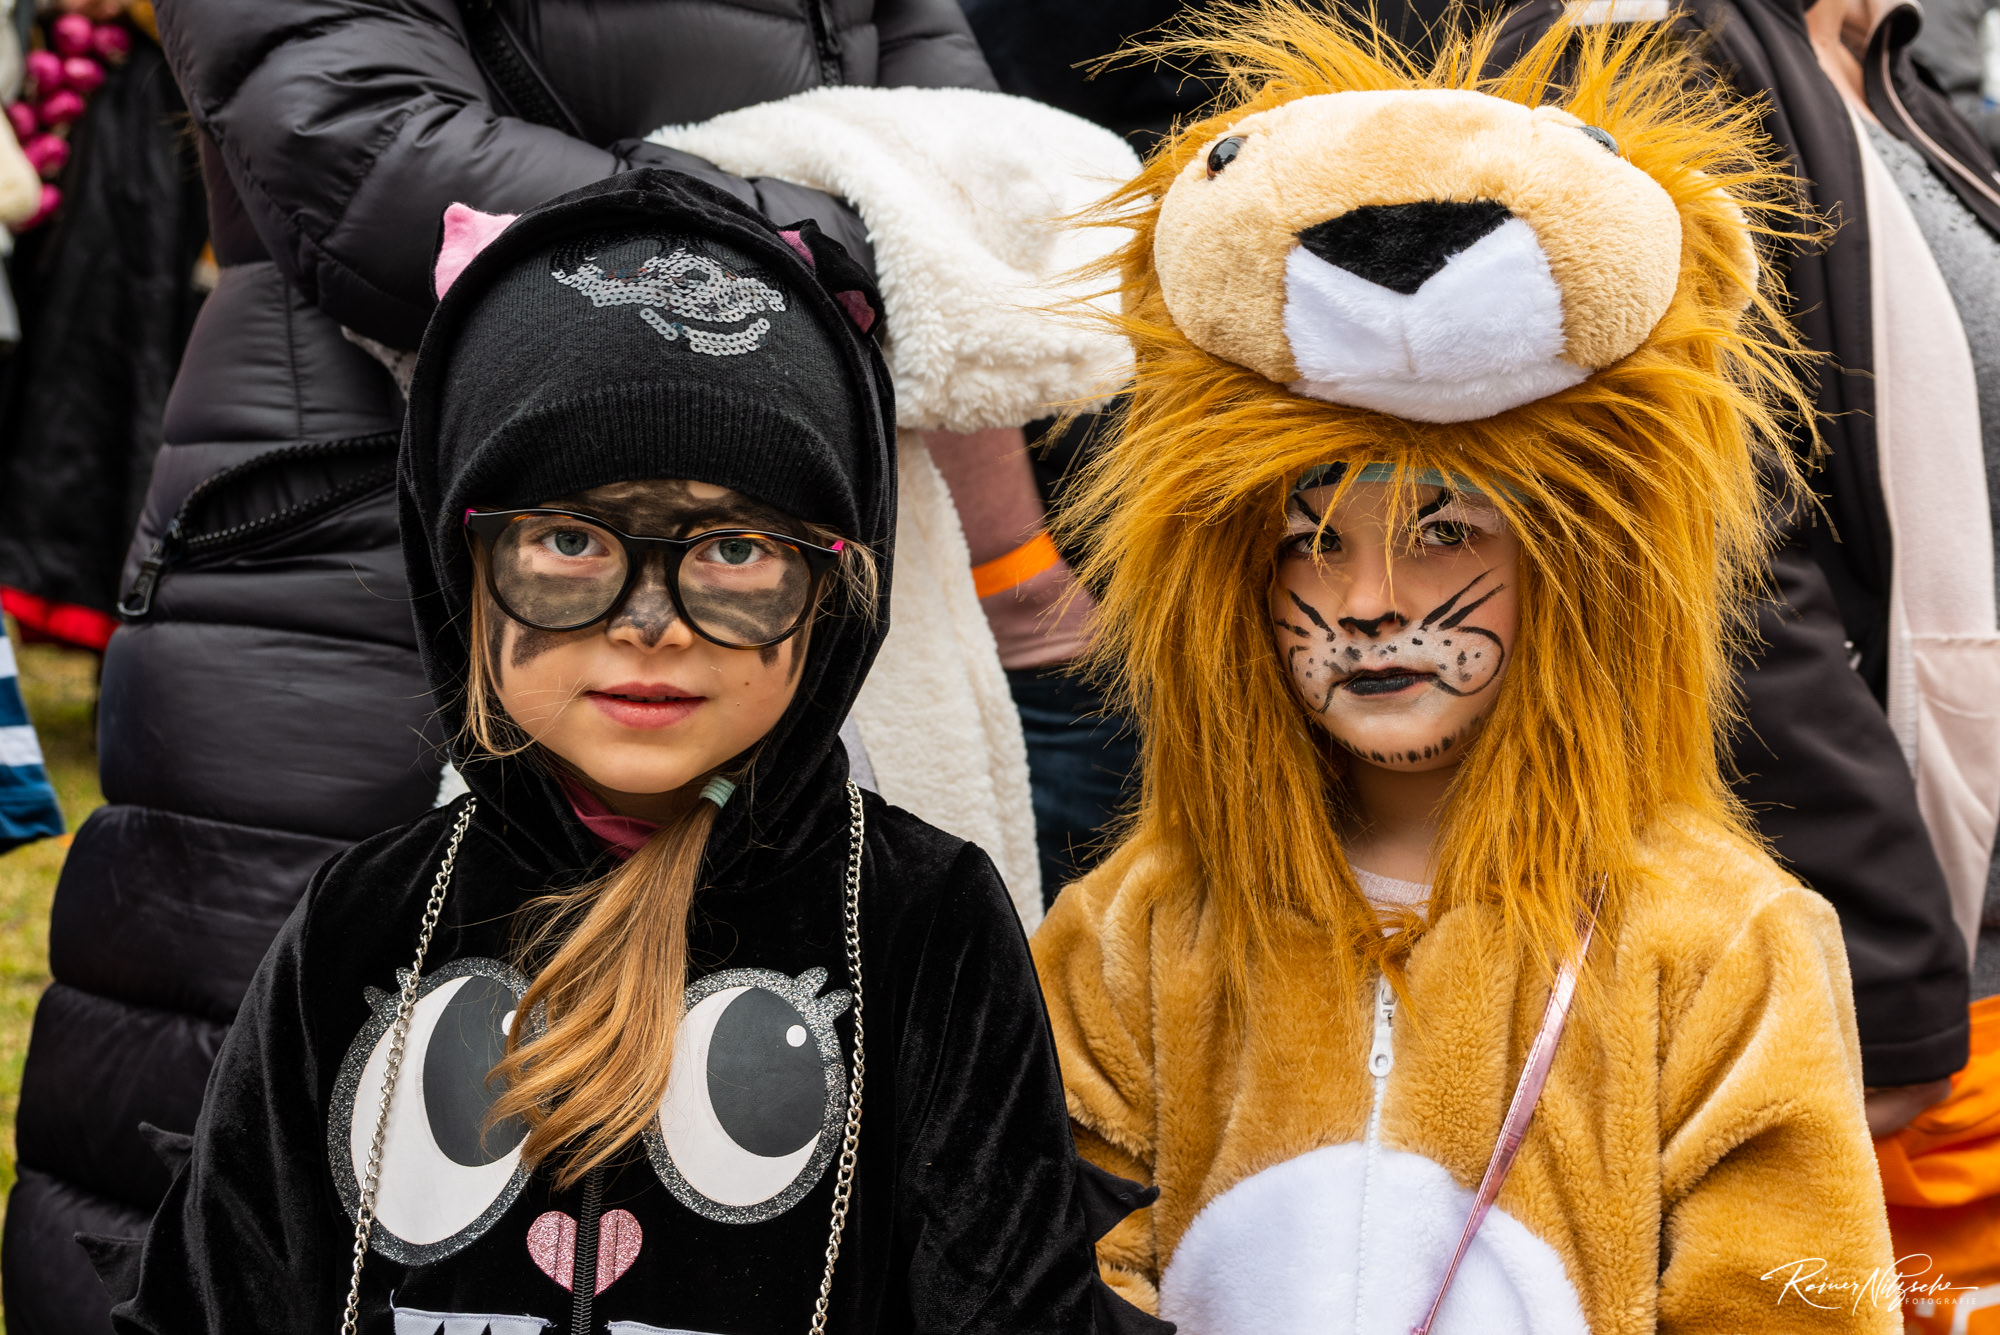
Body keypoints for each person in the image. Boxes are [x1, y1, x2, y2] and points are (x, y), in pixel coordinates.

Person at [3, 4, 998, 1328]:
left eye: (723, 556)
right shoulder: (364, 915)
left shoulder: (923, 921)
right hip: (325, 550)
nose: (649, 624)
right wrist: (795, 225)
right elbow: (355, 138)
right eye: (579, 545)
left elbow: (1005, 1295)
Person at [1033, 9, 1898, 1330]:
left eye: (1445, 533)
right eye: (1313, 540)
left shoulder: (1721, 937)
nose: (1372, 601)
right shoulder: (1135, 928)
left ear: (1572, 567)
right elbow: (1055, 1271)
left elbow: (1796, 1299)